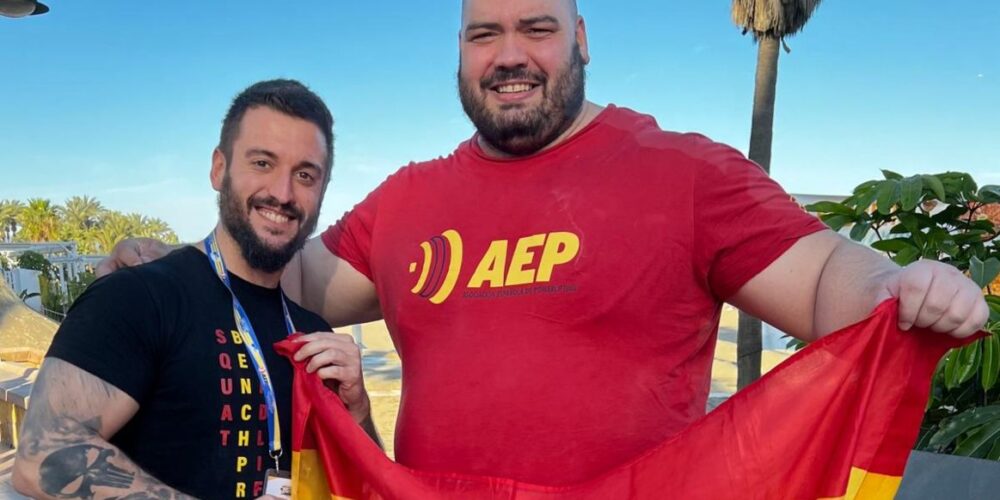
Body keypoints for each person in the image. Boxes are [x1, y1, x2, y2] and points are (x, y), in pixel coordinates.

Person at [99, 0, 989, 487]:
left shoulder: (684, 173)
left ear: (582, 39)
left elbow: (828, 271)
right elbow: (276, 266)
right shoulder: (409, 200)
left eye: (536, 27)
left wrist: (897, 283)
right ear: (459, 52)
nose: (509, 54)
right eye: (484, 32)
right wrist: (168, 266)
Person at [13, 79, 378, 499]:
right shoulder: (138, 297)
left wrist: (358, 411)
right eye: (262, 163)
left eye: (305, 174)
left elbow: (364, 484)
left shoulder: (314, 333)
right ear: (219, 169)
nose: (282, 193)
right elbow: (45, 455)